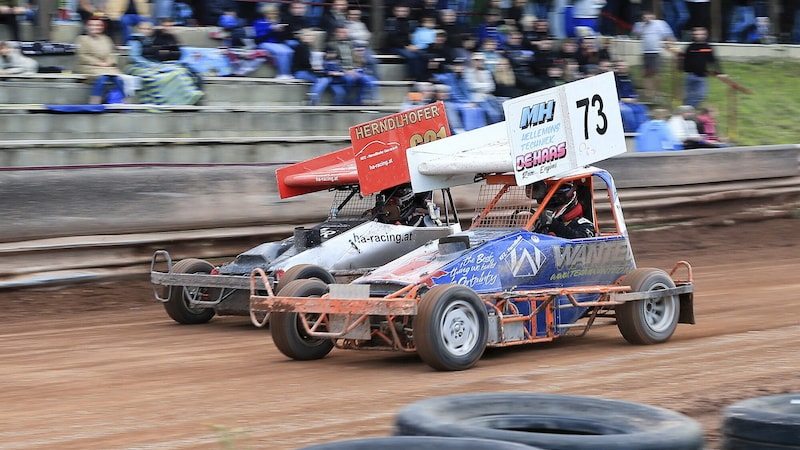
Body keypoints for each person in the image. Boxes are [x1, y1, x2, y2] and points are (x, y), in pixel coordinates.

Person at [126, 20, 203, 105]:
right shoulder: (135, 40)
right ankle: (160, 101)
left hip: (156, 64)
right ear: (138, 29)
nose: (145, 31)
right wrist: (151, 65)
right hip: (138, 66)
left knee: (179, 71)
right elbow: (135, 57)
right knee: (153, 77)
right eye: (143, 29)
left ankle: (187, 97)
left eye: (148, 29)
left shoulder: (154, 40)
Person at [75, 16, 128, 104]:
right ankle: (94, 102)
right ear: (88, 26)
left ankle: (123, 101)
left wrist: (109, 62)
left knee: (118, 79)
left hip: (107, 67)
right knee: (102, 78)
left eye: (98, 25)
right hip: (89, 66)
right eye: (92, 25)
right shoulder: (82, 39)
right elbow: (82, 55)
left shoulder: (106, 39)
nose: (95, 27)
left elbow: (112, 53)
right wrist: (98, 63)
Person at [632, 10, 677, 102]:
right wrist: (644, 26)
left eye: (649, 16)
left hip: (656, 53)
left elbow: (669, 36)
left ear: (653, 16)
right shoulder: (639, 25)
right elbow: (636, 37)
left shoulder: (660, 24)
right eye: (645, 16)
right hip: (645, 53)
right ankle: (648, 94)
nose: (647, 18)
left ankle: (656, 93)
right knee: (646, 75)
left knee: (657, 74)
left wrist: (670, 46)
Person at [682, 26, 726, 108]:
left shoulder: (708, 47)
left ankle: (690, 108)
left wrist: (720, 72)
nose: (698, 36)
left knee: (701, 95)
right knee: (689, 95)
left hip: (701, 76)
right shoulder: (690, 47)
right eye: (696, 34)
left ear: (705, 35)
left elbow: (713, 60)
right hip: (690, 76)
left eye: (701, 34)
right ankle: (686, 109)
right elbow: (685, 60)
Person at [253, 3, 294, 79]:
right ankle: (283, 74)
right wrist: (270, 29)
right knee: (282, 52)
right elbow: (258, 36)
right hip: (263, 43)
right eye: (271, 13)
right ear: (265, 13)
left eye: (275, 13)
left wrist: (280, 31)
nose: (273, 15)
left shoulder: (277, 22)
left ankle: (288, 73)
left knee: (289, 51)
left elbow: (280, 37)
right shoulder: (259, 22)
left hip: (276, 43)